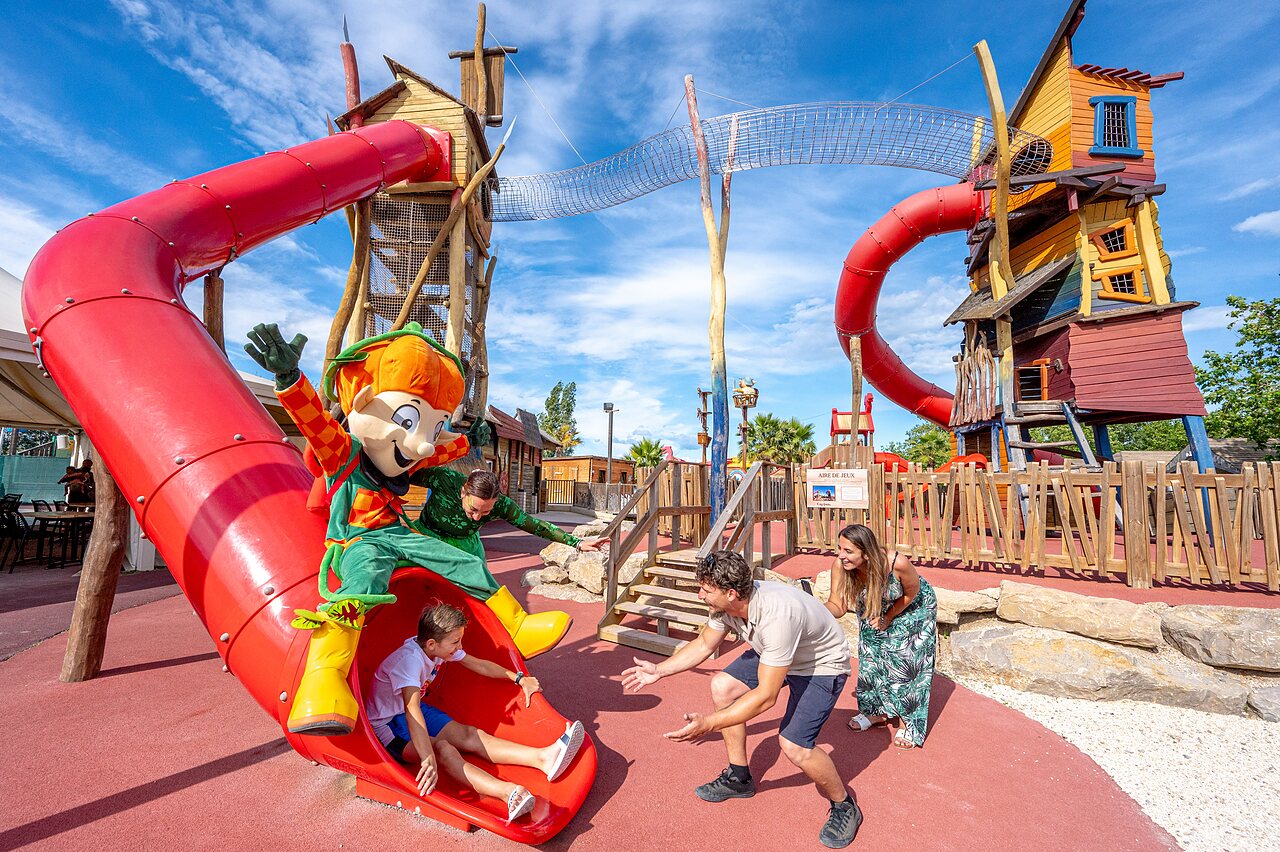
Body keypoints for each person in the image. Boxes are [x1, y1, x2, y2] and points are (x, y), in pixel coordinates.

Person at [245, 322, 571, 737]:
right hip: (359, 536)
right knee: (359, 587)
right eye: (408, 419)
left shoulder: (414, 460)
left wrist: (469, 435)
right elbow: (314, 422)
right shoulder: (344, 453)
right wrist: (290, 380)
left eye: (429, 428)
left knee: (460, 559)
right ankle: (324, 677)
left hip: (399, 532)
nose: (419, 444)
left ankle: (517, 626)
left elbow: (444, 446)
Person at [622, 551, 862, 849]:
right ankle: (739, 778)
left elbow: (765, 697)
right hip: (778, 652)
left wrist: (709, 723)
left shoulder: (776, 615)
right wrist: (659, 670)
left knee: (795, 745)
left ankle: (844, 804)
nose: (700, 596)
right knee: (722, 686)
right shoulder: (724, 607)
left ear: (732, 593)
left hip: (820, 663)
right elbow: (704, 643)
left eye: (706, 591)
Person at [366, 602, 587, 821]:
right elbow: (411, 707)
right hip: (387, 725)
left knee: (469, 734)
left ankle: (543, 758)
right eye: (455, 641)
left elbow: (479, 664)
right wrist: (426, 757)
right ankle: (508, 793)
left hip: (409, 710)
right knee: (441, 749)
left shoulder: (437, 649)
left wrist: (519, 678)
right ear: (432, 643)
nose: (460, 646)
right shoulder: (410, 661)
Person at [826, 523, 937, 750]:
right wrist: (813, 610)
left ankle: (909, 722)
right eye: (840, 548)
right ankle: (875, 713)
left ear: (866, 554)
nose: (841, 556)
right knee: (869, 656)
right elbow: (837, 605)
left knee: (905, 660)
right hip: (876, 603)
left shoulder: (896, 562)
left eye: (848, 551)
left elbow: (913, 591)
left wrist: (889, 617)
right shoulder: (840, 566)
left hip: (913, 606)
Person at [413, 468, 604, 559]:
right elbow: (400, 474)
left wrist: (577, 542)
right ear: (463, 492)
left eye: (485, 512)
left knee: (477, 587)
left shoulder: (503, 505)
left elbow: (535, 525)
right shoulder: (444, 479)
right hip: (426, 535)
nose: (477, 517)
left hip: (465, 545)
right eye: (473, 509)